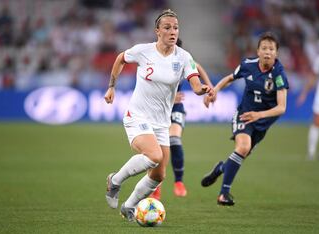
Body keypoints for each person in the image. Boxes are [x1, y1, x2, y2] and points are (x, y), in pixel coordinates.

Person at [104, 9, 215, 221]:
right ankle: (115, 181)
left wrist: (203, 90)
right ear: (157, 31)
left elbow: (195, 83)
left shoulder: (184, 57)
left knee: (159, 175)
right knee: (154, 156)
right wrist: (112, 87)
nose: (172, 31)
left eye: (175, 27)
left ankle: (129, 206)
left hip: (161, 123)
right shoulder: (143, 51)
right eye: (167, 27)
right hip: (137, 115)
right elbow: (120, 59)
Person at [201, 32, 289, 206]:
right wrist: (215, 91)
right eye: (264, 48)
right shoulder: (248, 65)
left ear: (276, 53)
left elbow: (281, 107)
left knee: (240, 155)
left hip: (261, 123)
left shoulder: (279, 75)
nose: (267, 52)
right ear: (257, 51)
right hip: (244, 115)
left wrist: (259, 115)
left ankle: (220, 169)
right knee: (243, 147)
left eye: (271, 49)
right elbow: (229, 78)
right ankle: (223, 194)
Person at [150, 38, 215, 199]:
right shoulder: (153, 62)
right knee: (157, 148)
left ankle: (179, 182)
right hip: (157, 109)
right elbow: (149, 92)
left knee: (174, 140)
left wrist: (210, 88)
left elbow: (197, 67)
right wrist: (171, 99)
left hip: (176, 109)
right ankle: (156, 185)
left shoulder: (184, 61)